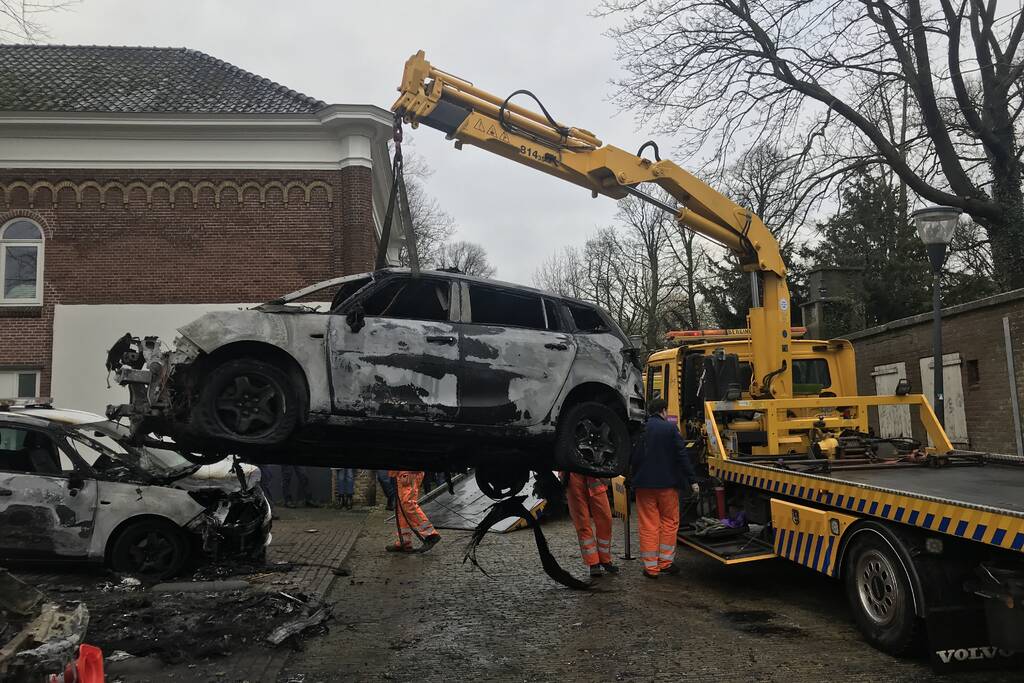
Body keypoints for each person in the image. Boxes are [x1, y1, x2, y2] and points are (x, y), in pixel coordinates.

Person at [632, 398, 699, 579]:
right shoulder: (670, 429)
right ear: (663, 411)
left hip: (643, 485)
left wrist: (631, 479)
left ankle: (651, 569)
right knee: (669, 522)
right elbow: (682, 456)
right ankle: (666, 563)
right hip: (667, 486)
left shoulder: (641, 429)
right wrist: (692, 480)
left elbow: (634, 457)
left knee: (648, 525)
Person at [565, 473, 618, 577]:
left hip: (594, 475)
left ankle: (605, 559)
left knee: (605, 520)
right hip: (572, 476)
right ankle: (593, 563)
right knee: (582, 524)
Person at [387, 470, 441, 552]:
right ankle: (404, 540)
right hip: (403, 472)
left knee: (408, 505)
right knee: (402, 510)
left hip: (409, 471)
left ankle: (431, 534)